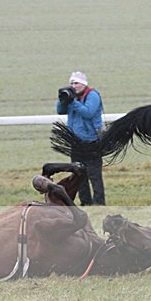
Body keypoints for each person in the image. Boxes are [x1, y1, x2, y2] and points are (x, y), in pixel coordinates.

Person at [56, 71, 105, 205]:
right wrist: (62, 99)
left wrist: (72, 102)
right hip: (75, 141)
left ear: (83, 84)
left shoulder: (92, 95)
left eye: (76, 83)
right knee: (79, 174)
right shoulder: (73, 97)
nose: (73, 86)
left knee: (94, 175)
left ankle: (99, 202)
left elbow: (88, 112)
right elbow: (60, 111)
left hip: (92, 140)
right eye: (71, 83)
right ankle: (85, 202)